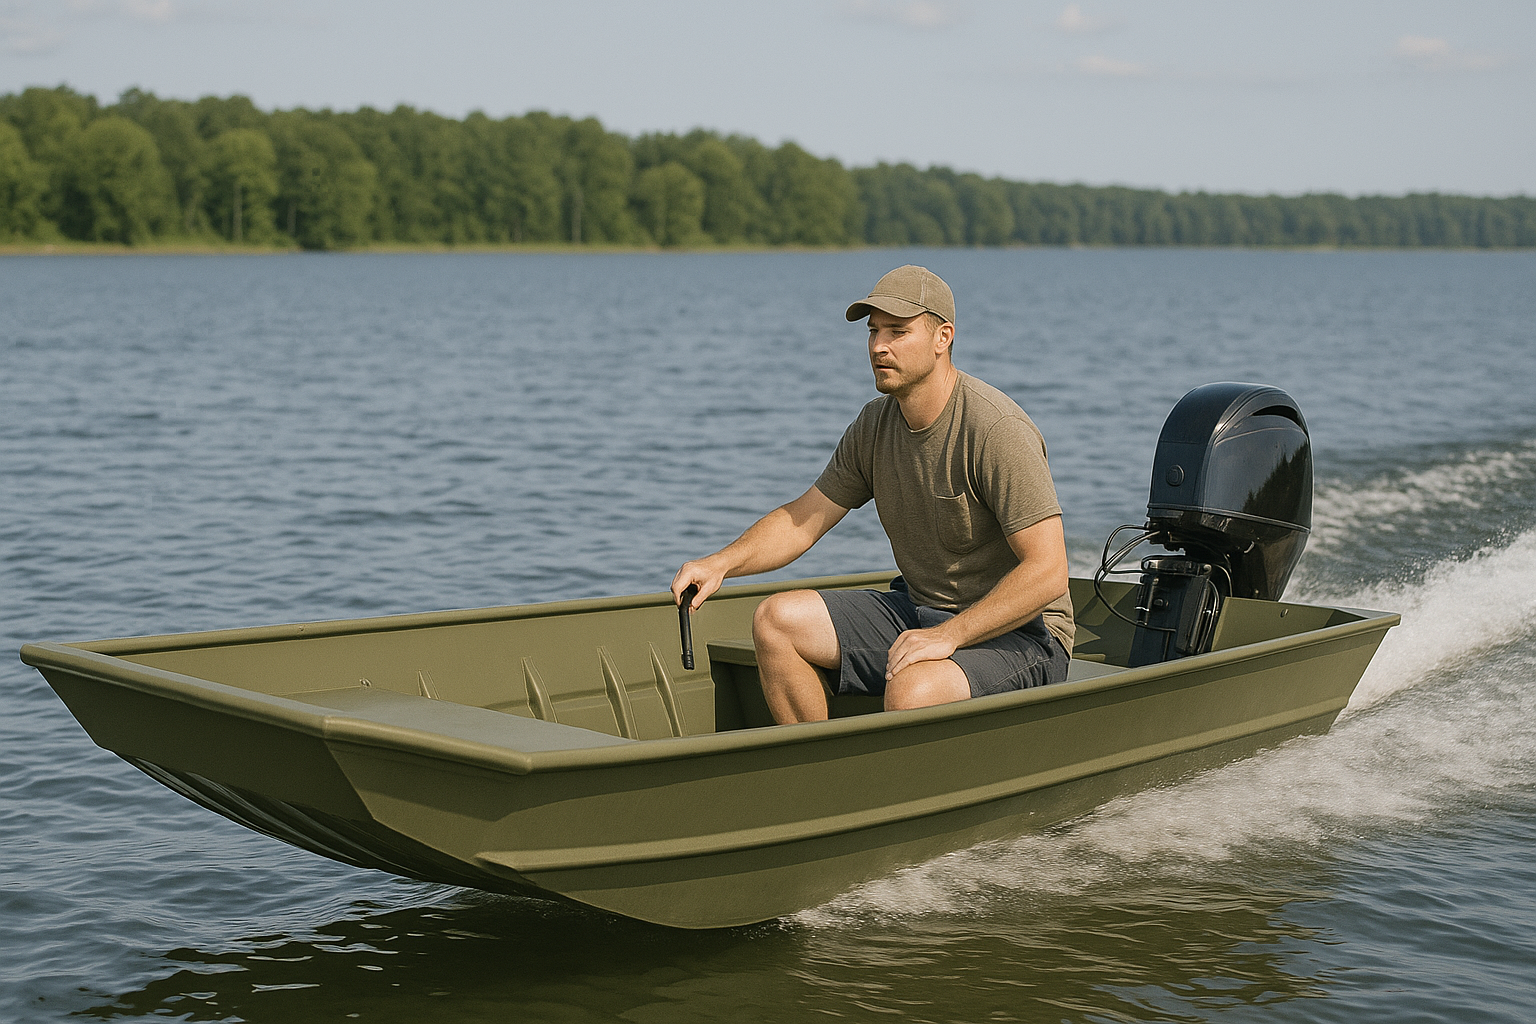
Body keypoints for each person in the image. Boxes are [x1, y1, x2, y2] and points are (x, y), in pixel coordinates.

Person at [671, 265, 1073, 723]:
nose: (879, 346)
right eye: (874, 331)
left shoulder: (995, 430)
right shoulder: (874, 425)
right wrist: (722, 562)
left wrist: (950, 636)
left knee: (913, 689)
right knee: (776, 621)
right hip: (921, 611)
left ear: (943, 337)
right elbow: (803, 518)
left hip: (1023, 635)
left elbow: (1049, 572)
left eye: (898, 332)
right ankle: (823, 778)